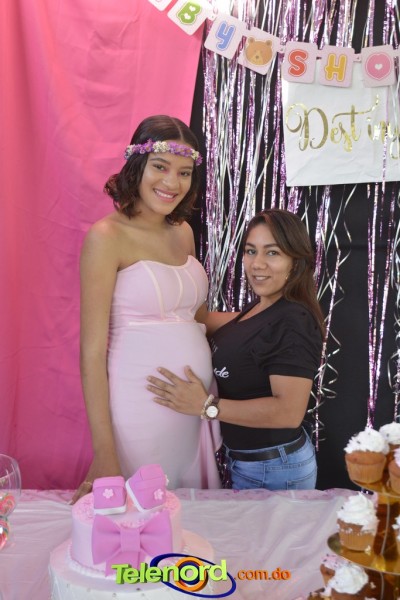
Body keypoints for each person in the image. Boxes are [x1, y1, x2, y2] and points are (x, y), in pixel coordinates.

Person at [72, 115, 223, 503]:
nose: (172, 183)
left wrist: (263, 316)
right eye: (160, 167)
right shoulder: (107, 237)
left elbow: (197, 319)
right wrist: (104, 451)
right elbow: (91, 352)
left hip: (191, 406)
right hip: (139, 405)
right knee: (141, 512)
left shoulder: (183, 232)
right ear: (137, 165)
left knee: (185, 517)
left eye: (184, 173)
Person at [146, 208, 325, 490]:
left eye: (272, 253)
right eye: (251, 251)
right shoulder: (264, 307)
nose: (257, 264)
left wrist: (206, 406)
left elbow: (288, 412)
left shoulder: (293, 321)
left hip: (275, 469)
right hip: (255, 463)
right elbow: (212, 323)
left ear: (295, 261)